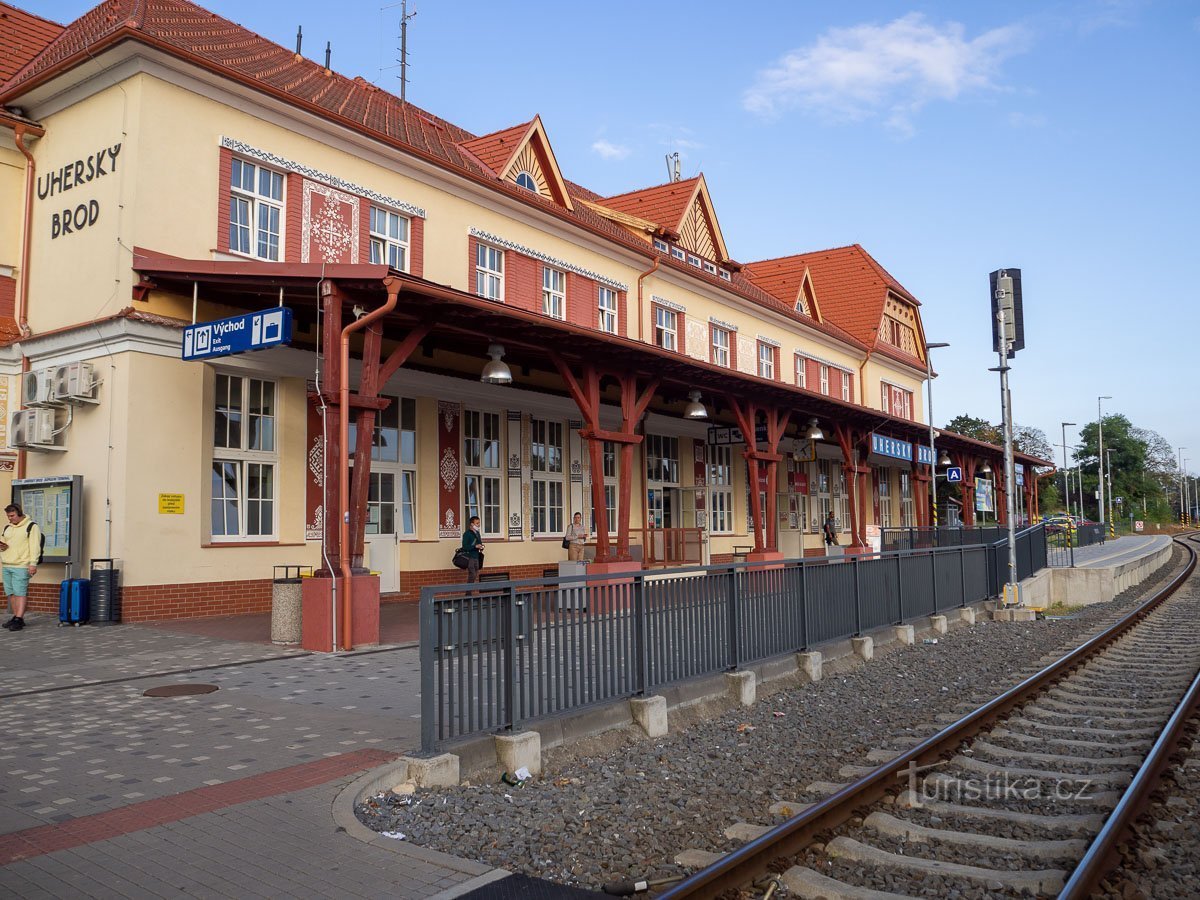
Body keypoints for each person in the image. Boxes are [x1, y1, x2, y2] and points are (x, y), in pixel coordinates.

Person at [2, 504, 42, 632]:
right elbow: (4, 542)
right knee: (11, 593)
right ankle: (16, 617)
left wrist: (33, 563)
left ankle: (19, 619)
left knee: (20, 593)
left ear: (19, 513)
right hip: (7, 564)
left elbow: (35, 546)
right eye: (8, 516)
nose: (10, 518)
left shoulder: (31, 526)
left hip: (21, 565)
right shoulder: (8, 527)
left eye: (12, 516)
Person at [461, 515, 484, 583]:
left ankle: (469, 590)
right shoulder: (467, 534)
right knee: (472, 574)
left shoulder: (477, 533)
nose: (479, 525)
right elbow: (464, 547)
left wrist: (481, 547)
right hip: (469, 557)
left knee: (475, 574)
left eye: (479, 523)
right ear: (472, 524)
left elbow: (479, 543)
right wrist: (475, 546)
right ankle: (468, 592)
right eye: (477, 523)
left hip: (476, 556)